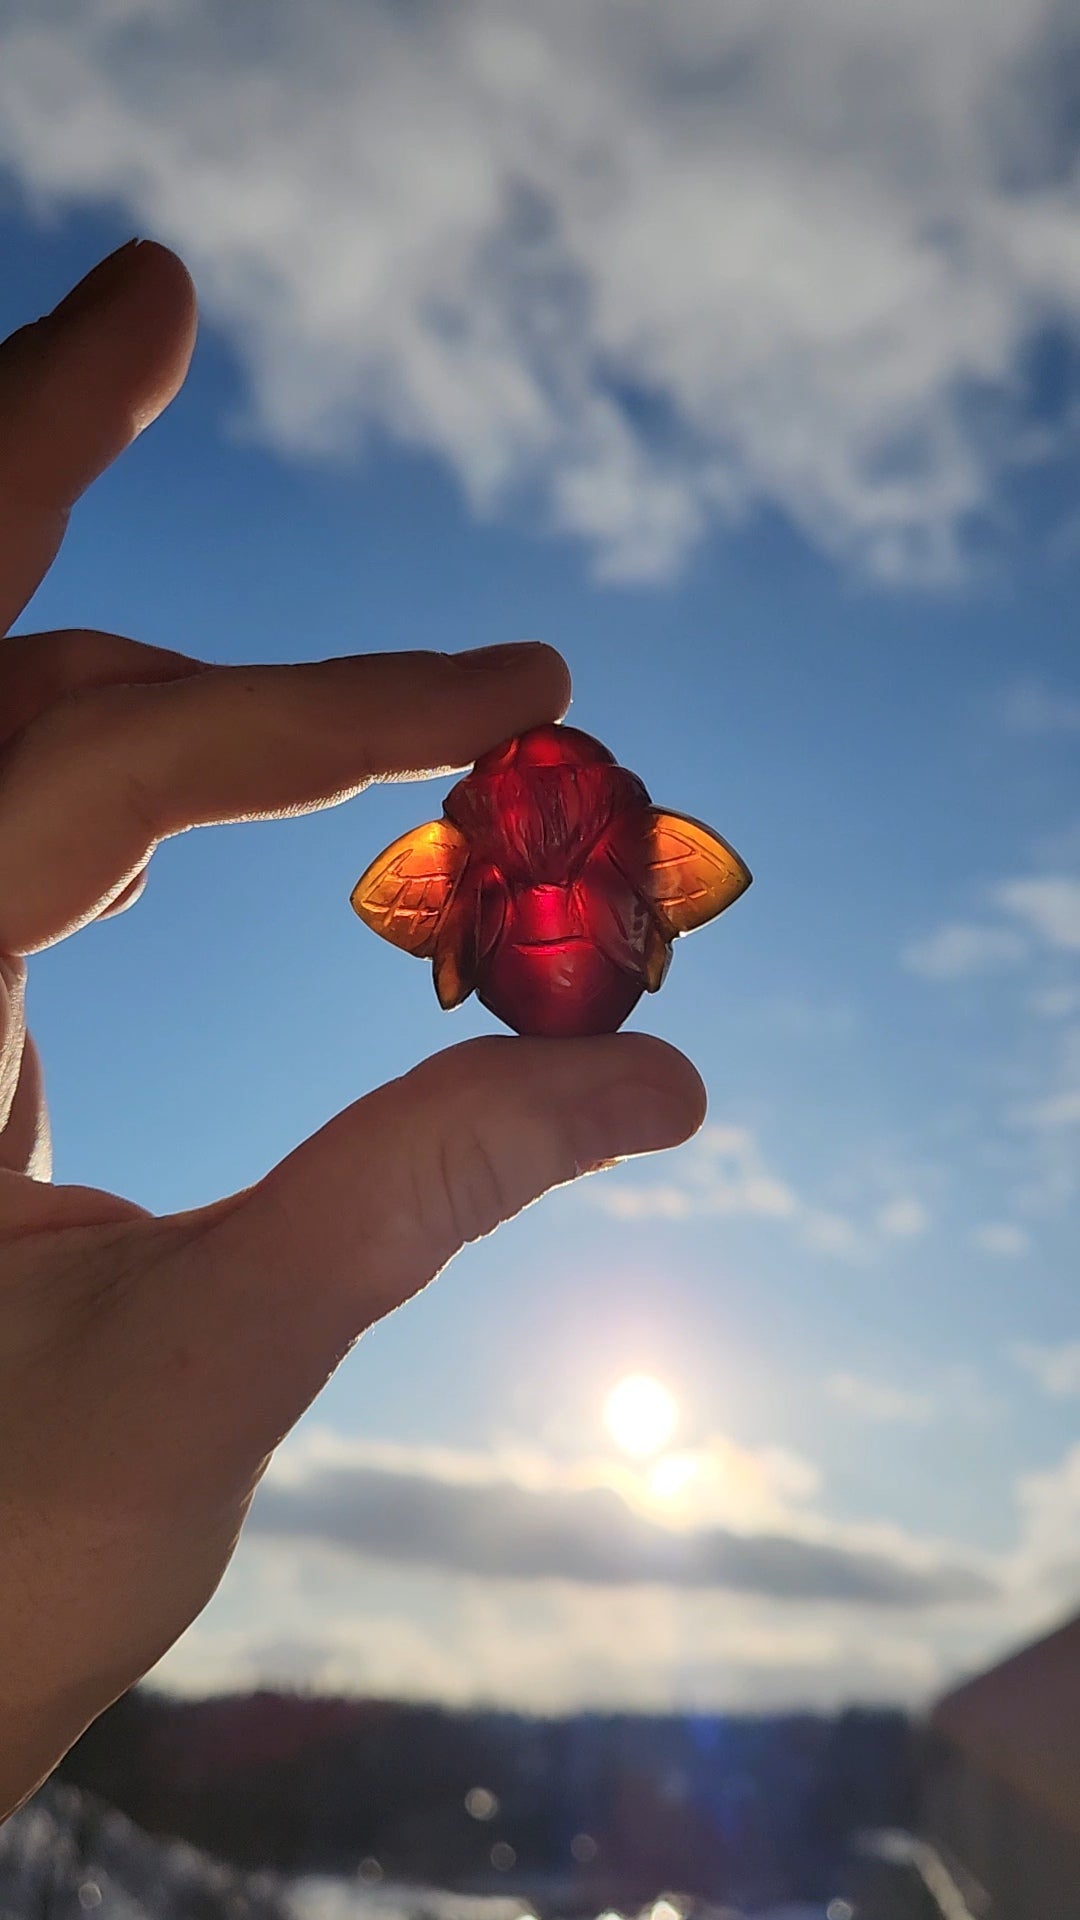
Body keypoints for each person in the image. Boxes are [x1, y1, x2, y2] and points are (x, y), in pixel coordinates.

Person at [0, 241, 705, 1816]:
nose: (540, 879)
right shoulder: (460, 896)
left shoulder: (601, 888)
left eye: (578, 847)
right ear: (448, 896)